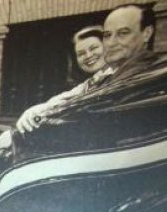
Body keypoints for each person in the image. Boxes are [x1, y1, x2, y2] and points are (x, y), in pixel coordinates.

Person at [16, 5, 157, 134]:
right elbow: (70, 96)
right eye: (81, 54)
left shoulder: (142, 71)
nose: (88, 56)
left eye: (123, 33)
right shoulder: (99, 78)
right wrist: (37, 109)